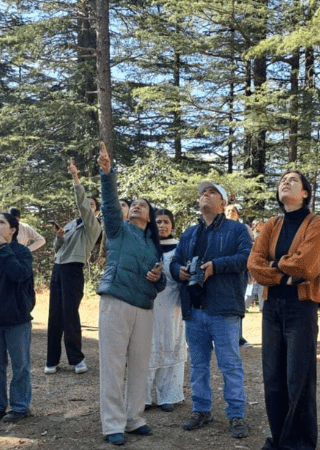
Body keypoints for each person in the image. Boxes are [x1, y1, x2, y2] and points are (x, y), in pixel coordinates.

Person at [247, 170, 320, 450]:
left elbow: (306, 266)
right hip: (272, 306)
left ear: (305, 193)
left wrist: (274, 264)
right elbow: (254, 264)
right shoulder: (272, 224)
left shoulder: (317, 224)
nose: (285, 182)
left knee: (298, 379)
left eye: (293, 180)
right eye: (282, 180)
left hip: (300, 307)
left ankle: (299, 444)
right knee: (273, 378)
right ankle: (279, 439)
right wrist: (284, 276)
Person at [170, 179, 252, 440]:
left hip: (224, 308)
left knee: (230, 365)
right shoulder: (189, 233)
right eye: (203, 192)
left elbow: (246, 258)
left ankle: (236, 414)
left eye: (212, 192)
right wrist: (179, 271)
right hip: (194, 309)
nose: (205, 194)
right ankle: (201, 410)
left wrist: (216, 266)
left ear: (223, 203)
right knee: (198, 365)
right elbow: (175, 261)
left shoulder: (237, 229)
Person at [96, 143, 166, 446]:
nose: (137, 206)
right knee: (113, 364)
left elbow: (160, 283)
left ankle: (134, 418)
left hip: (144, 307)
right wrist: (107, 174)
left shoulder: (153, 245)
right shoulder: (118, 229)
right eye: (134, 203)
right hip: (116, 301)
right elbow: (110, 205)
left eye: (143, 205)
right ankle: (113, 423)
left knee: (139, 364)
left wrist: (158, 278)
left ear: (150, 216)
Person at [44, 158, 102, 375]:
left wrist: (76, 178)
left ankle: (77, 359)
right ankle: (51, 360)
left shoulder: (93, 226)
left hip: (73, 269)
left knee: (70, 314)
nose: (88, 206)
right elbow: (57, 248)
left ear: (96, 211)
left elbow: (83, 206)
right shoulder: (72, 224)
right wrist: (59, 237)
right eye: (88, 203)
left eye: (92, 204)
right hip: (58, 268)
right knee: (54, 315)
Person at [0, 212, 35, 423]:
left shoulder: (22, 252)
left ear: (12, 229)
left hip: (17, 318)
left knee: (20, 365)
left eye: (1, 222)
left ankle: (20, 406)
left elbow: (19, 274)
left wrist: (4, 249)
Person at [146, 208, 187, 412]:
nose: (162, 226)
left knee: (171, 343)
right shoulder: (145, 245)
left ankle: (168, 395)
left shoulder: (180, 248)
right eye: (158, 222)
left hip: (173, 306)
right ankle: (142, 396)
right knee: (146, 346)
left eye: (166, 222)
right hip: (147, 304)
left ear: (172, 225)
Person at [225, 203, 253, 347]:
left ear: (238, 214)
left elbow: (249, 251)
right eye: (228, 210)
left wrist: (251, 270)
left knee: (238, 303)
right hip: (222, 272)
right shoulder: (218, 228)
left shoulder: (244, 228)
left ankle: (238, 337)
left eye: (233, 210)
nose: (231, 212)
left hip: (240, 272)